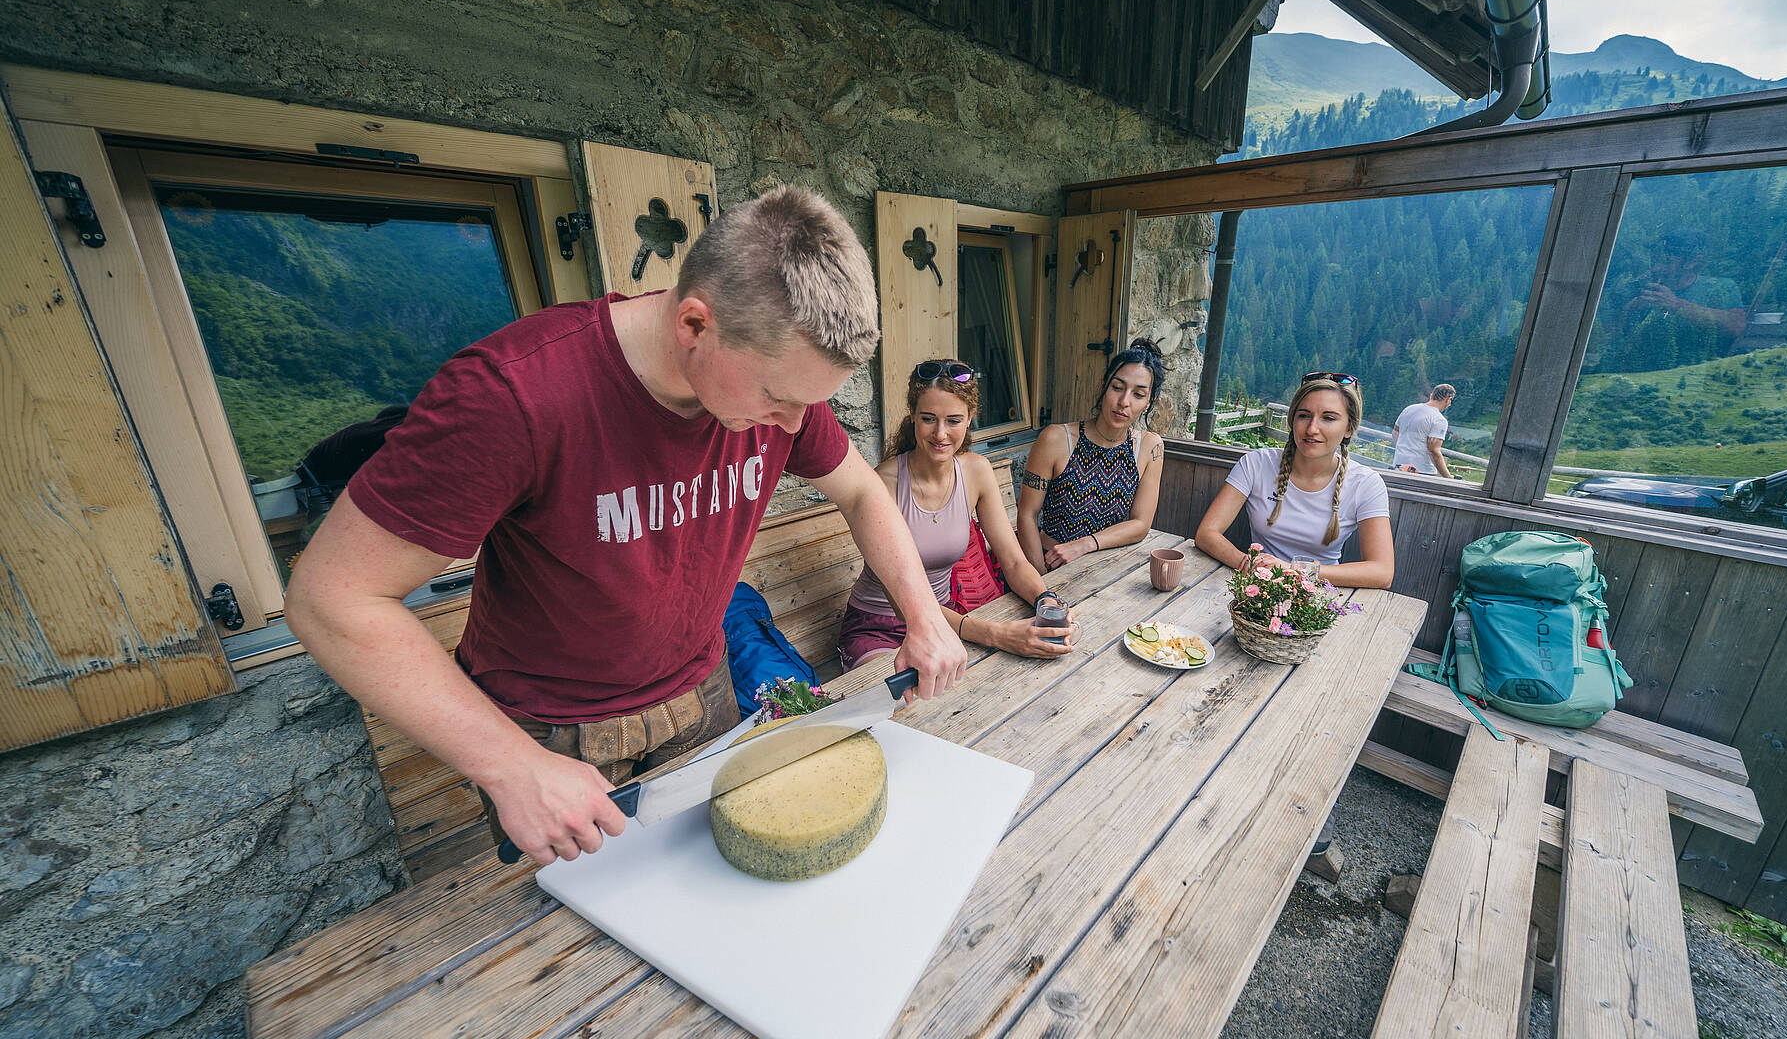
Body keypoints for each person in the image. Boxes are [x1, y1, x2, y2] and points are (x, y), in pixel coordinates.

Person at [283, 186, 967, 867]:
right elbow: (330, 598)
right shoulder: (513, 396)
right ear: (694, 325)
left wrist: (923, 615)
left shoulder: (782, 384)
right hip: (550, 732)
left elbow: (861, 493)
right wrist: (509, 766)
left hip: (705, 693)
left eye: (807, 404)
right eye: (777, 399)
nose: (793, 427)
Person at [838, 359, 1077, 671]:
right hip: (879, 625)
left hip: (946, 620)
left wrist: (1046, 600)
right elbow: (902, 602)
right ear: (912, 415)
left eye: (953, 420)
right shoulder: (883, 484)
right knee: (906, 704)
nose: (940, 434)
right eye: (928, 419)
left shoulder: (976, 471)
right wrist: (996, 633)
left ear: (970, 419)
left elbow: (1014, 561)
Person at [1195, 372, 1394, 588]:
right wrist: (1252, 566)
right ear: (1292, 420)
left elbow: (1382, 572)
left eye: (1328, 418)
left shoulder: (1366, 484)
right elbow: (1207, 534)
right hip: (1258, 586)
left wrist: (1292, 569)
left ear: (1349, 428)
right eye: (1304, 415)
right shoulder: (1256, 464)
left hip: (1320, 592)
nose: (1312, 429)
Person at [1017, 338, 1167, 571]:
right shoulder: (1056, 439)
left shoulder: (1150, 447)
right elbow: (1027, 514)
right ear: (1103, 386)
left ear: (1149, 402)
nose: (1124, 402)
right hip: (1050, 563)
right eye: (1117, 388)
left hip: (1106, 567)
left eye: (1138, 394)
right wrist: (1040, 579)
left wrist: (1085, 544)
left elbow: (1140, 524)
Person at [1627, 226, 1747, 367]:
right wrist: (1629, 311)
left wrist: (1676, 304)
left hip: (1698, 377)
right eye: (1654, 260)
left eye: (1667, 261)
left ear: (1694, 262)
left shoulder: (1720, 287)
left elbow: (1736, 326)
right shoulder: (1640, 286)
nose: (1655, 268)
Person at [1391, 383, 1455, 478]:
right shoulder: (1439, 420)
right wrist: (1448, 476)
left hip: (1399, 465)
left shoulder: (1409, 409)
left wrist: (1404, 451)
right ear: (1448, 399)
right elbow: (1434, 451)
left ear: (1431, 395)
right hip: (1422, 471)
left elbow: (1395, 432)